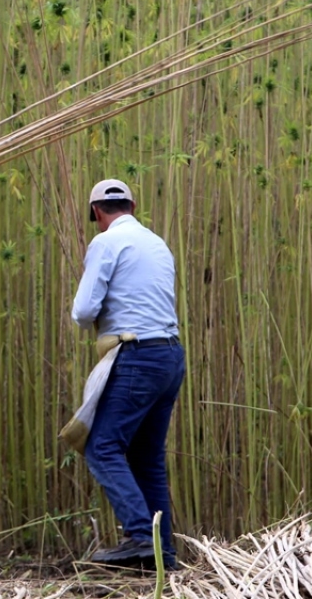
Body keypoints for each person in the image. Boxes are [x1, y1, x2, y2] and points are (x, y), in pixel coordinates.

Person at [71, 179, 185, 570]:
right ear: (133, 206)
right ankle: (162, 555)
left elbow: (84, 311)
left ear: (97, 213)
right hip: (170, 356)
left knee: (101, 447)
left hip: (136, 356)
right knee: (147, 459)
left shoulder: (105, 243)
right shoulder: (157, 243)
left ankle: (139, 535)